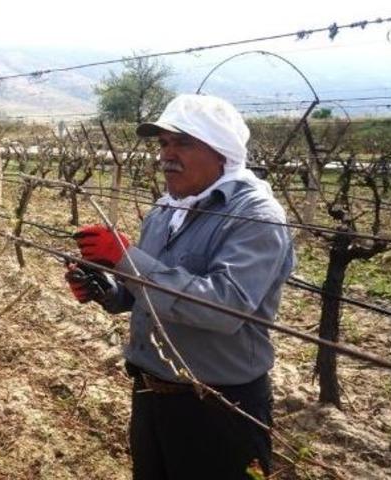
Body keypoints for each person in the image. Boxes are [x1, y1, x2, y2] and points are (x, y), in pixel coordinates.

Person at [65, 94, 294, 479]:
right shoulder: (165, 209)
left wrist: (126, 259)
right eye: (164, 143)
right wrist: (107, 289)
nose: (167, 155)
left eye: (183, 143)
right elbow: (143, 294)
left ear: (221, 151)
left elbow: (224, 307)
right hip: (150, 393)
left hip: (218, 407)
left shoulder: (256, 216)